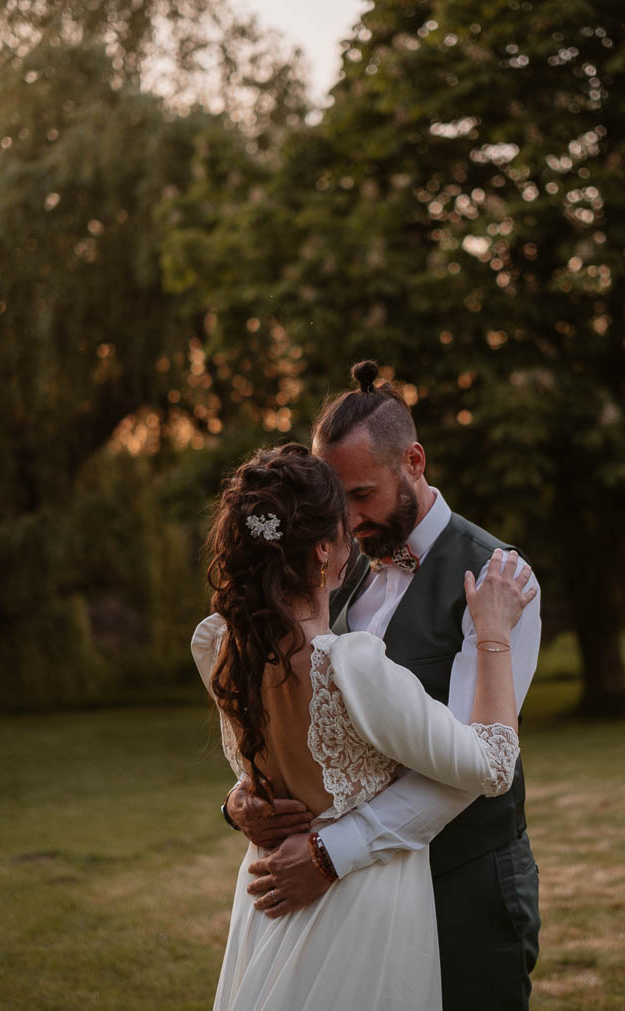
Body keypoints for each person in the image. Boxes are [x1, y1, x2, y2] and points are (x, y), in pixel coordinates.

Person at [220, 361, 542, 1010]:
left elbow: (467, 770)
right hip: (356, 897)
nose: (346, 521)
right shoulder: (339, 571)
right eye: (334, 503)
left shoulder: (499, 582)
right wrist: (244, 800)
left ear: (414, 461)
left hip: (463, 884)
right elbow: (308, 718)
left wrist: (329, 853)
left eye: (361, 495)